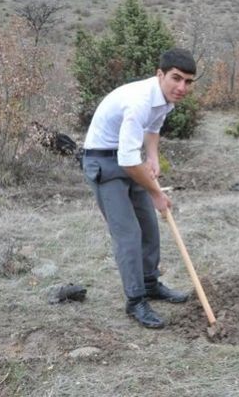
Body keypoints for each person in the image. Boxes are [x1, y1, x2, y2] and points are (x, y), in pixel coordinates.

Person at [82, 48, 196, 328]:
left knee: (149, 227)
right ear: (160, 74)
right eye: (176, 78)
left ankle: (150, 284)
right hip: (104, 161)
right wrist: (157, 193)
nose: (182, 87)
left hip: (127, 157)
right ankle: (135, 300)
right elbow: (127, 160)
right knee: (128, 234)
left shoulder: (165, 99)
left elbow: (152, 130)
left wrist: (153, 157)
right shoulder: (139, 101)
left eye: (188, 82)